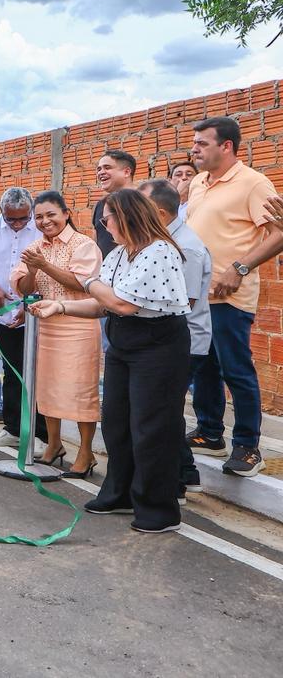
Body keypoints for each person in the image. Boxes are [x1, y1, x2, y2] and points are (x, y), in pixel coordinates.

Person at [30, 189, 191, 533]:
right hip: (123, 341)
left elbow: (121, 303)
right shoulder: (119, 253)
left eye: (108, 218)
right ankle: (120, 493)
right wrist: (60, 306)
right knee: (116, 421)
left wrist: (86, 281)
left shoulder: (159, 251)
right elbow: (102, 304)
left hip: (158, 345)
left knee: (152, 427)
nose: (105, 225)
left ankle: (158, 509)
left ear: (128, 217)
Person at [185, 116, 279, 477]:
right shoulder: (197, 183)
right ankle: (210, 432)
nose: (195, 148)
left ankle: (247, 447)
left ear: (227, 146)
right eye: (194, 142)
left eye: (202, 143)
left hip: (230, 296)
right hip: (197, 296)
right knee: (204, 366)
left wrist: (238, 269)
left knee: (235, 369)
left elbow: (278, 233)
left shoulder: (253, 183)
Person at [11, 190, 102, 476]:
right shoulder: (36, 247)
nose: (45, 221)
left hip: (78, 325)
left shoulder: (84, 244)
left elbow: (82, 285)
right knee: (46, 388)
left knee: (80, 391)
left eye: (51, 214)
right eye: (39, 217)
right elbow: (25, 289)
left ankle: (86, 453)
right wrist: (34, 270)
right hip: (46, 327)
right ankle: (54, 444)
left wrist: (44, 265)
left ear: (66, 213)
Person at [139, 178, 212, 499]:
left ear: (159, 211)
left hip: (184, 342)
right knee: (163, 409)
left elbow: (186, 301)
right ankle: (185, 471)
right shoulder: (164, 239)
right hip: (165, 339)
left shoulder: (189, 247)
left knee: (163, 410)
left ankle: (180, 478)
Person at [0, 187, 48, 449]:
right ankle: (12, 428)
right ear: (1, 212)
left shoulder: (41, 228)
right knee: (11, 369)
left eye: (23, 218)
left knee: (36, 372)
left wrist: (32, 303)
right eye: (11, 219)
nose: (18, 224)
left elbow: (49, 268)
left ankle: (40, 435)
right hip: (3, 310)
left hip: (37, 311)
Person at [93, 149, 136, 259]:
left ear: (126, 172)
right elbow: (97, 242)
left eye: (107, 167)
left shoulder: (143, 203)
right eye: (99, 169)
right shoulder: (100, 205)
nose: (101, 173)